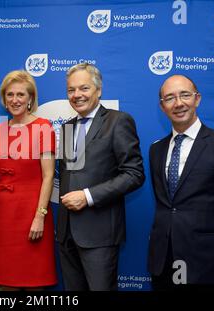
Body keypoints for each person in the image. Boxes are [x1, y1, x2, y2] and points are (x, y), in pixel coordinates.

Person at [148, 74, 214, 291]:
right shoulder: (156, 150)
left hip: (207, 263)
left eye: (185, 95)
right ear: (162, 106)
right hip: (163, 261)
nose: (178, 103)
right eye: (169, 98)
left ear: (197, 99)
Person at [57, 63, 145, 291]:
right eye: (71, 90)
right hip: (67, 234)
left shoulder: (118, 121)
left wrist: (87, 196)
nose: (77, 95)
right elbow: (68, 175)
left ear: (98, 90)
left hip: (99, 234)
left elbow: (134, 174)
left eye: (84, 88)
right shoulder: (67, 127)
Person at [0, 70, 57, 290]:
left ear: (30, 98)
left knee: (34, 281)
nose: (15, 100)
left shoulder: (43, 127)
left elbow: (48, 175)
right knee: (5, 282)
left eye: (20, 95)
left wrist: (40, 217)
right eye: (10, 94)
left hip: (31, 213)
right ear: (4, 99)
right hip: (3, 216)